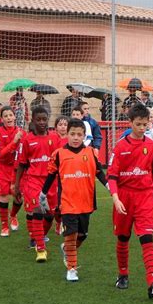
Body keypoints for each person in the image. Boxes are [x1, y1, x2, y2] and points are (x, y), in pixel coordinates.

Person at [107, 103, 153, 299]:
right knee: (123, 237)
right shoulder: (120, 147)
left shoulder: (152, 147)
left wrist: (152, 194)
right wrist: (116, 198)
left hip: (144, 198)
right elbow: (112, 177)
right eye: (138, 124)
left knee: (147, 237)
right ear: (130, 123)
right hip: (124, 197)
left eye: (145, 124)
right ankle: (123, 274)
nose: (142, 128)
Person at [40, 119, 108, 282]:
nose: (76, 138)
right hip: (67, 202)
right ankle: (71, 268)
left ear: (84, 136)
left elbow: (99, 173)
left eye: (79, 135)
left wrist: (110, 187)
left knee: (82, 235)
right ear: (67, 134)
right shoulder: (59, 154)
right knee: (70, 234)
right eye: (72, 134)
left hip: (86, 201)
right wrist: (43, 194)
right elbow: (50, 175)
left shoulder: (91, 152)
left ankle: (67, 249)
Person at [14, 107, 60, 261]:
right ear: (33, 120)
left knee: (50, 215)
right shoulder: (27, 140)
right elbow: (21, 164)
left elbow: (61, 162)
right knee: (38, 210)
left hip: (51, 183)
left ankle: (37, 237)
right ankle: (41, 249)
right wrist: (17, 186)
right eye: (38, 119)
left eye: (44, 119)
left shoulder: (55, 139)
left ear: (48, 120)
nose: (41, 122)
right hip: (33, 181)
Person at [0, 106, 26, 238]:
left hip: (17, 170)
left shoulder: (21, 132)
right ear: (2, 119)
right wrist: (14, 142)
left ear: (14, 117)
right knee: (4, 196)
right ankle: (4, 226)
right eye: (5, 116)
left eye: (10, 115)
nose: (8, 118)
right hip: (2, 168)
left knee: (18, 197)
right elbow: (1, 154)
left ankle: (13, 215)